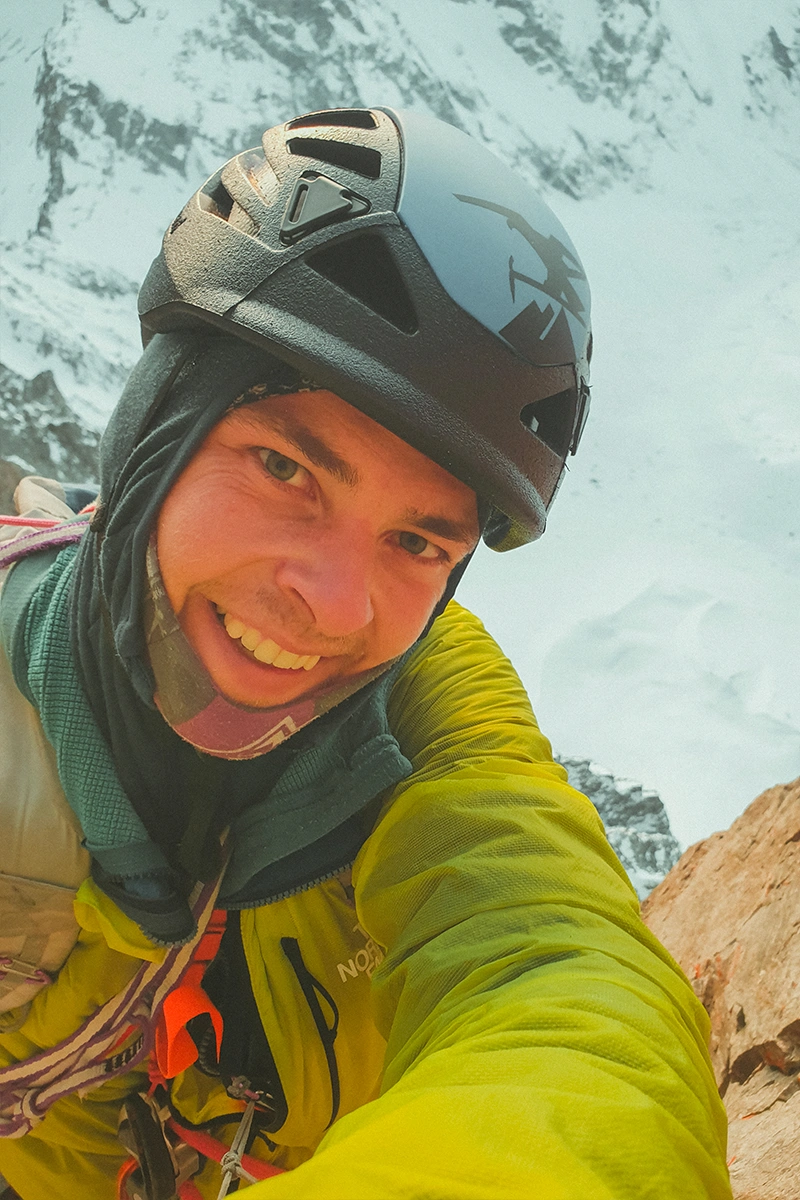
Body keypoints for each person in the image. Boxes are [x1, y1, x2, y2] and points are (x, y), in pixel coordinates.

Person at [0, 108, 730, 1199]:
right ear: (155, 431)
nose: (333, 607)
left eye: (418, 543)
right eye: (285, 469)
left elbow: (569, 1003)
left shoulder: (424, 717)